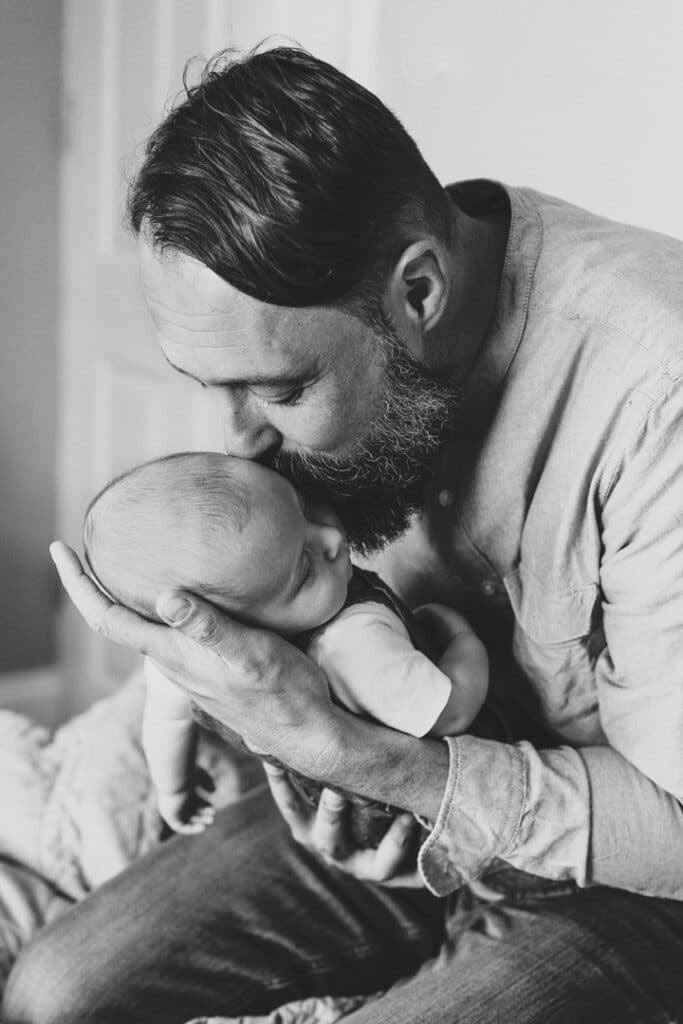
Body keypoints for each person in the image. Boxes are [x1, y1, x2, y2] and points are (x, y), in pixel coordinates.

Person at [4, 43, 683, 1024]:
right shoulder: (307, 339)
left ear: (417, 294)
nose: (243, 437)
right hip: (397, 821)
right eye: (218, 387)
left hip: (620, 887)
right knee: (50, 991)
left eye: (279, 388)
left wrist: (364, 759)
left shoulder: (651, 394)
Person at [83, 450, 487, 838]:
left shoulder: (184, 662)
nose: (331, 537)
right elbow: (451, 716)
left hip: (321, 799)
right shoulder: (355, 642)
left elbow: (166, 722)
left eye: (304, 507)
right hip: (406, 815)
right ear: (225, 625)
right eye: (305, 569)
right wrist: (463, 641)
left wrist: (173, 792)